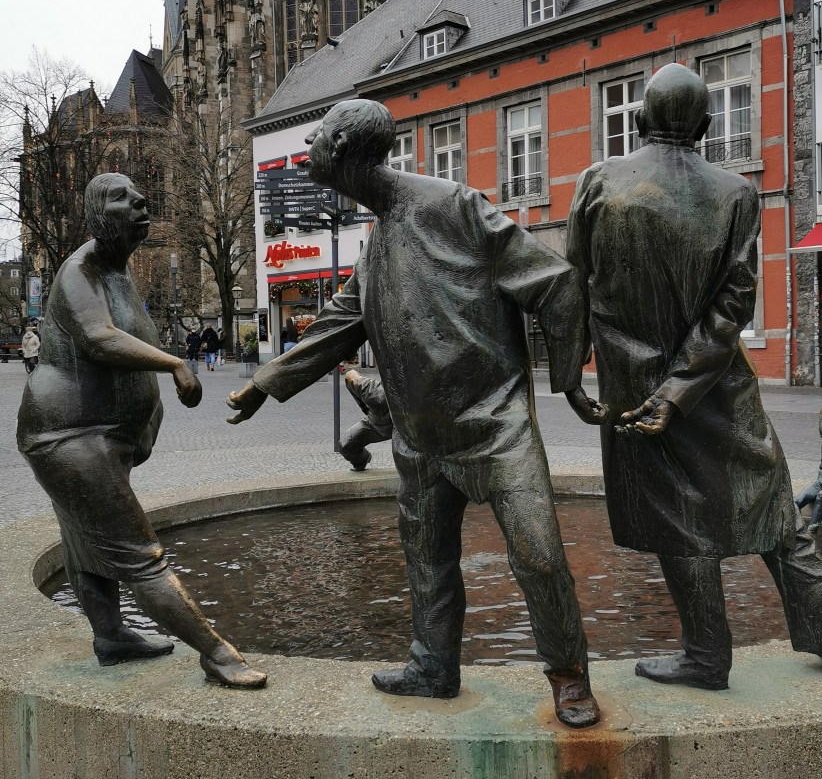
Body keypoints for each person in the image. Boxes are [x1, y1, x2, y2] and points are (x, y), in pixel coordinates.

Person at [226, 99, 606, 729]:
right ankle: (432, 667)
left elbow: (557, 284)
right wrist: (266, 382)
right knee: (428, 563)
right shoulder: (375, 242)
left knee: (538, 556)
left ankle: (568, 677)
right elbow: (339, 324)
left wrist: (568, 382)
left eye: (316, 140)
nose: (307, 151)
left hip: (496, 426)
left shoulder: (455, 207)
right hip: (420, 438)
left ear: (342, 147)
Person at [566, 62, 822, 691]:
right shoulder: (737, 193)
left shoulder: (598, 181)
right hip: (716, 381)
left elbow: (572, 285)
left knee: (675, 517)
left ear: (641, 120)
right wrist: (682, 388)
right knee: (773, 503)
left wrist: (572, 371)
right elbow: (735, 303)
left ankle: (707, 655)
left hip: (633, 387)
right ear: (707, 126)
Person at [17, 173, 266, 689]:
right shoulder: (79, 271)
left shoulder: (119, 270)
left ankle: (112, 637)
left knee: (86, 543)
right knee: (140, 554)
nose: (139, 201)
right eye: (121, 197)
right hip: (67, 435)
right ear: (95, 215)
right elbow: (98, 338)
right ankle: (217, 654)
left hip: (101, 435)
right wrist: (174, 363)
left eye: (138, 195)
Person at [796, 411, 822, 533]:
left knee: (821, 496)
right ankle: (794, 528)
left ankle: (810, 534)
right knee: (797, 501)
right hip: (820, 480)